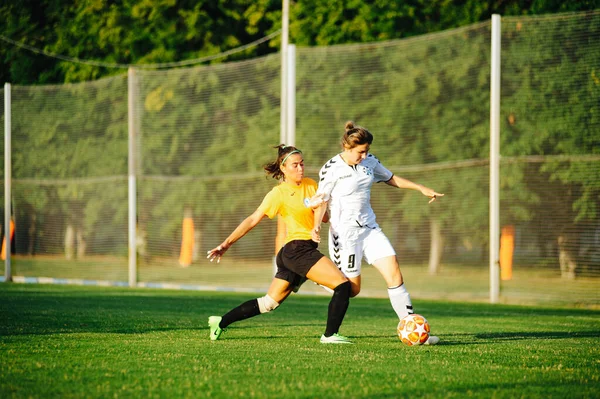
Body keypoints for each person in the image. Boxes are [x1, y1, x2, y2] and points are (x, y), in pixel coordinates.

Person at [311, 121, 444, 345]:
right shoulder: (331, 168)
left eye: (367, 151)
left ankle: (412, 328)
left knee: (394, 272)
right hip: (345, 235)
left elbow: (390, 177)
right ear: (347, 146)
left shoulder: (370, 162)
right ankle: (321, 278)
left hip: (370, 229)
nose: (364, 156)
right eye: (360, 152)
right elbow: (321, 200)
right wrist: (316, 225)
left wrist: (420, 188)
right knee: (352, 290)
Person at [206, 145, 353, 344]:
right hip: (296, 250)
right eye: (295, 165)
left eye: (302, 163)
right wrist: (226, 243)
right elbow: (252, 219)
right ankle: (329, 335)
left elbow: (324, 216)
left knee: (269, 303)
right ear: (283, 168)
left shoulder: (311, 184)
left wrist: (321, 211)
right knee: (343, 286)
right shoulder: (278, 194)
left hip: (297, 251)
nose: (301, 168)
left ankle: (220, 322)